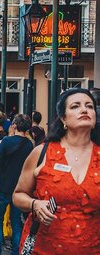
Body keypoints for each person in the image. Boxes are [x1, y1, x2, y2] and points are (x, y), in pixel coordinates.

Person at [13, 88, 100, 254]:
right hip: (44, 247)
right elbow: (18, 195)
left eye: (89, 106)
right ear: (63, 119)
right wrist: (35, 204)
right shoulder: (42, 152)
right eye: (75, 106)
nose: (84, 109)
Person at [0, 114, 34, 255]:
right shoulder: (29, 144)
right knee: (16, 222)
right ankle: (16, 252)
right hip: (19, 187)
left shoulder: (6, 141)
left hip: (3, 184)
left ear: (14, 125)